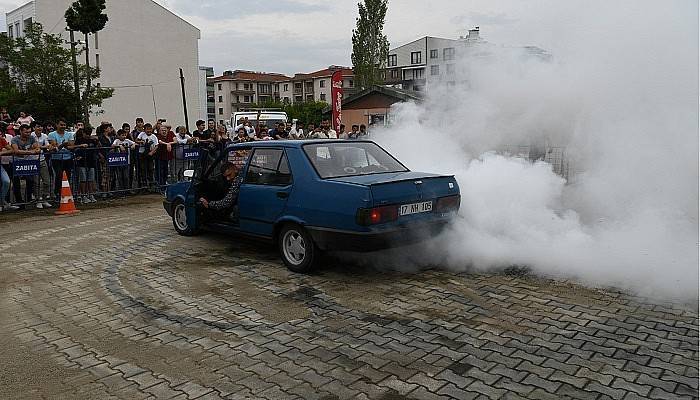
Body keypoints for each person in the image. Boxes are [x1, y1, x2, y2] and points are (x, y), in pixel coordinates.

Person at [10, 124, 41, 208]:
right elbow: (16, 151)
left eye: (29, 132)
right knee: (16, 183)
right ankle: (19, 201)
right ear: (20, 131)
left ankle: (28, 198)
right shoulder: (15, 139)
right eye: (26, 132)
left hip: (28, 162)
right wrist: (30, 152)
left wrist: (36, 149)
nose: (28, 134)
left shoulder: (31, 138)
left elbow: (37, 148)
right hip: (16, 162)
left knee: (30, 180)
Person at [47, 118, 76, 199]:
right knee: (59, 175)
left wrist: (63, 145)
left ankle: (66, 192)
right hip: (56, 159)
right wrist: (64, 145)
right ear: (57, 125)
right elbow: (55, 147)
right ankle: (57, 192)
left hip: (68, 158)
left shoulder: (69, 134)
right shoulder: (51, 134)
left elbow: (71, 145)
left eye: (64, 125)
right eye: (61, 125)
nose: (63, 126)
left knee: (68, 176)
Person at [74, 127, 98, 203]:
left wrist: (97, 139)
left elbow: (98, 146)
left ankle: (90, 194)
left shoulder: (92, 140)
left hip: (91, 162)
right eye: (86, 133)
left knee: (91, 179)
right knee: (83, 179)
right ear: (83, 133)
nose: (88, 135)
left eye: (89, 133)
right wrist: (80, 147)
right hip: (82, 162)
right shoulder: (79, 140)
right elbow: (74, 148)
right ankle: (83, 195)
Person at [31, 122, 52, 207]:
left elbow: (48, 146)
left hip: (42, 160)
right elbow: (35, 147)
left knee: (47, 181)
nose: (40, 128)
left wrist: (47, 147)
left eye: (41, 126)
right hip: (33, 160)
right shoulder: (31, 135)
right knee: (36, 182)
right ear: (34, 128)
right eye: (38, 126)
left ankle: (44, 199)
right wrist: (44, 147)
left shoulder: (44, 136)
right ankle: (38, 199)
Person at [136, 123, 159, 190]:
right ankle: (144, 186)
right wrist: (141, 141)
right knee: (143, 170)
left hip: (150, 154)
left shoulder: (154, 136)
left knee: (151, 169)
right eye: (147, 129)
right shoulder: (142, 134)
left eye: (150, 129)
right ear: (144, 129)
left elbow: (157, 145)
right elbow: (136, 140)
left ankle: (151, 185)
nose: (149, 131)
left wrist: (152, 152)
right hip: (142, 154)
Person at [0, 133, 17, 211]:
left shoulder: (1, 139)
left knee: (6, 181)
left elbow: (11, 150)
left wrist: (2, 153)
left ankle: (2, 202)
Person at [155, 125, 176, 189]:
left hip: (166, 157)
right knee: (159, 172)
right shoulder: (157, 136)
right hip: (159, 157)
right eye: (162, 130)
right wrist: (167, 144)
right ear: (159, 131)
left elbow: (176, 141)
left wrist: (169, 143)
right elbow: (160, 142)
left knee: (165, 172)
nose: (164, 132)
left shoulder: (170, 134)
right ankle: (160, 186)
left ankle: (164, 185)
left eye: (165, 130)